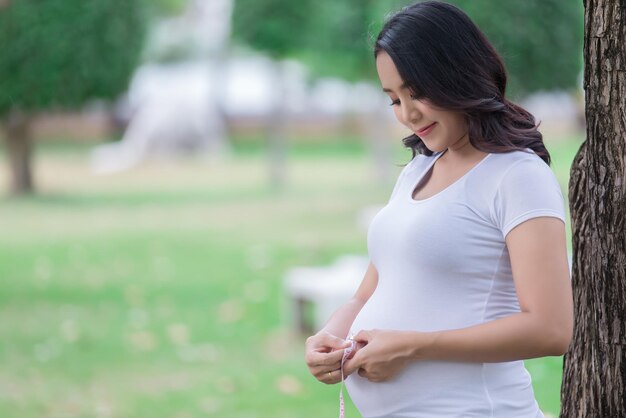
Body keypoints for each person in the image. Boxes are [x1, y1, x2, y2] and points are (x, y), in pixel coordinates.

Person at [304, 2, 573, 417]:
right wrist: (330, 336)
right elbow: (368, 293)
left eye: (417, 92)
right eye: (393, 99)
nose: (408, 115)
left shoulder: (517, 175)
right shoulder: (417, 171)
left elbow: (551, 329)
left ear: (457, 74)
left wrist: (413, 346)